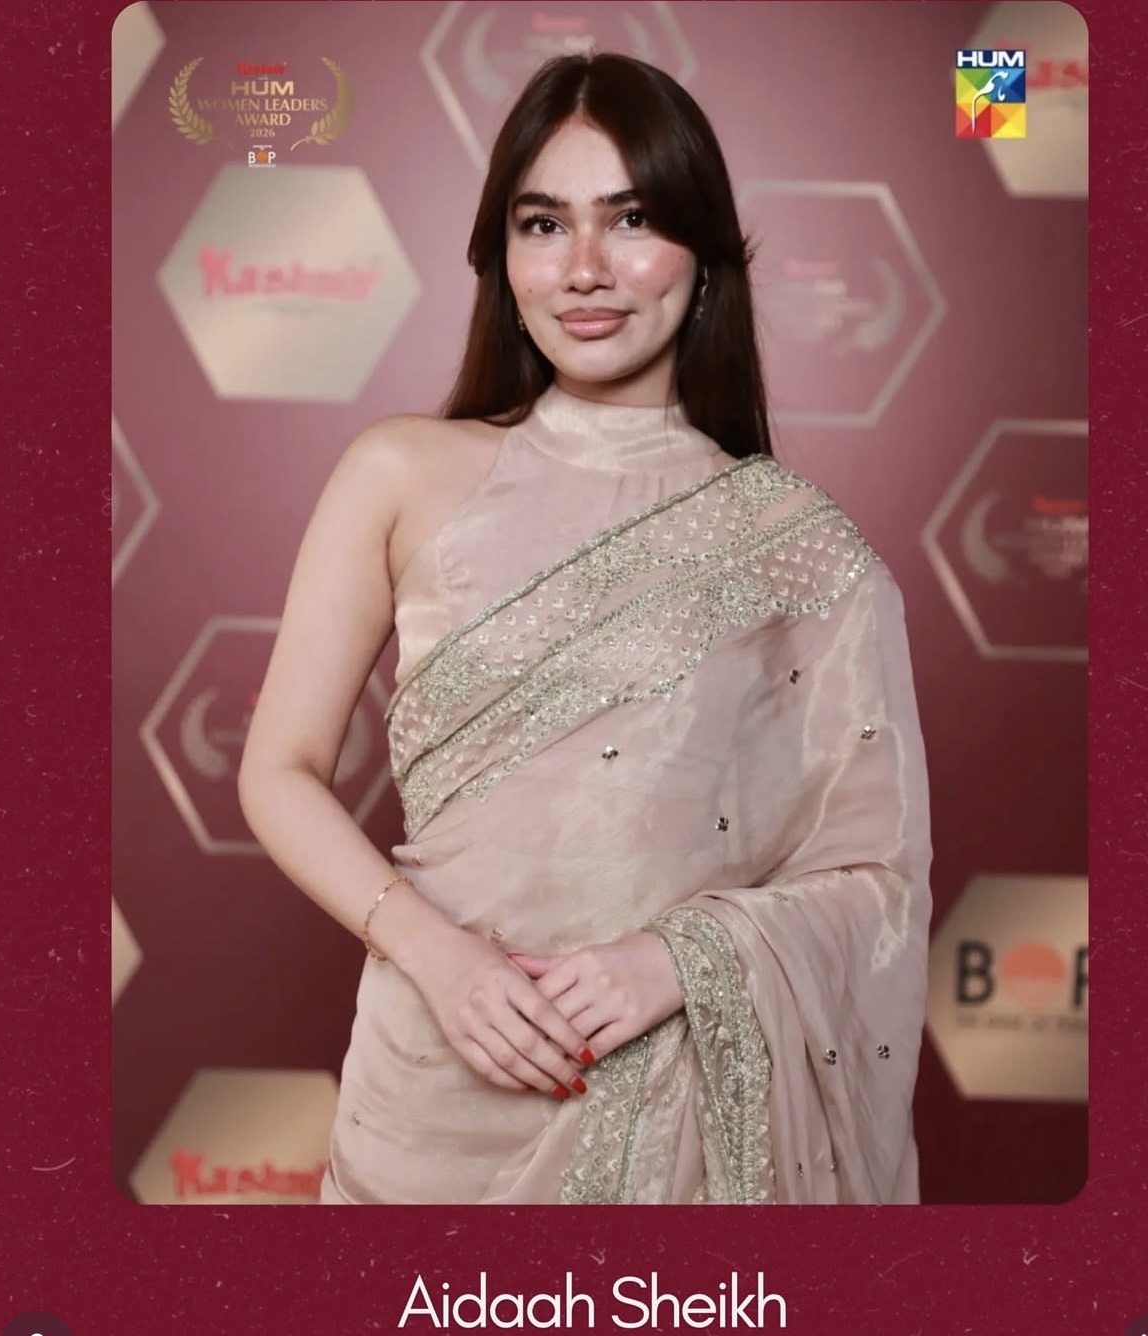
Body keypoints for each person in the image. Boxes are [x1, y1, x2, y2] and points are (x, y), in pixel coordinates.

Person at [237, 51, 932, 1205]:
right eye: (544, 224)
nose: (586, 269)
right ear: (502, 257)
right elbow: (281, 769)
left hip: (672, 1103)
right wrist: (438, 956)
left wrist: (678, 961)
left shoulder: (796, 547)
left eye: (634, 219)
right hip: (426, 1084)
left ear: (705, 255)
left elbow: (875, 880)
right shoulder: (400, 472)